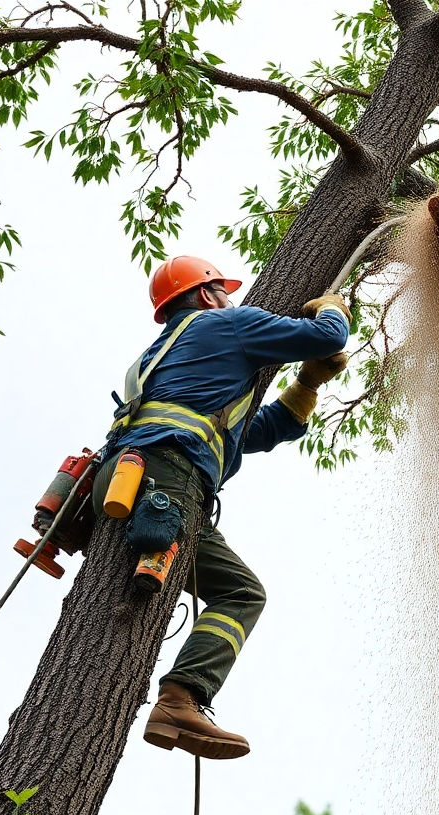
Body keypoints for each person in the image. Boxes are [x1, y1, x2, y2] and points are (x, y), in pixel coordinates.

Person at [93, 255, 351, 759]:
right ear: (205, 295)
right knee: (241, 593)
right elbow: (326, 337)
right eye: (223, 291)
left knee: (239, 590)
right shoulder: (225, 325)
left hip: (126, 475)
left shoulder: (157, 360)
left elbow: (248, 434)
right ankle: (180, 699)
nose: (230, 300)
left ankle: (179, 700)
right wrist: (334, 310)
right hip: (171, 475)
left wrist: (306, 386)